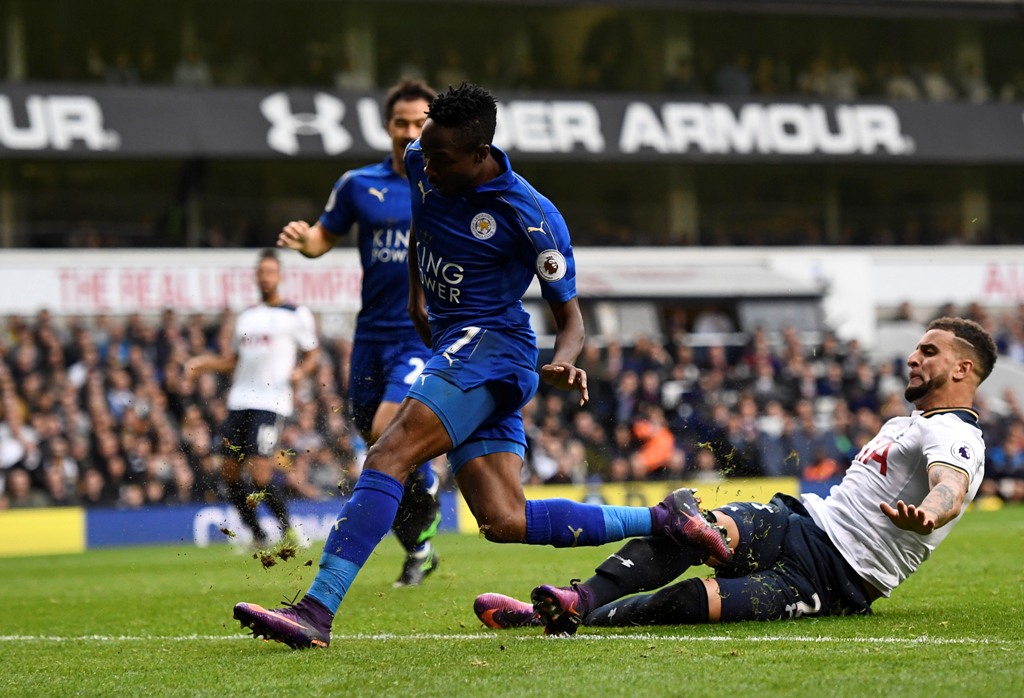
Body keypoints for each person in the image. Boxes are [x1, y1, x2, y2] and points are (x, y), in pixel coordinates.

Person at [232, 82, 730, 649]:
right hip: (455, 344)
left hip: (492, 347)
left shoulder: (532, 216)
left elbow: (571, 320)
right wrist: (416, 297)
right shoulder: (424, 158)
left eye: (441, 159)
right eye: (424, 152)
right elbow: (422, 216)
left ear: (479, 154)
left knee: (389, 453)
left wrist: (565, 361)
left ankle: (316, 611)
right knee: (503, 519)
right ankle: (667, 519)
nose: (426, 166)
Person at [473, 317, 997, 635]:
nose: (913, 358)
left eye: (929, 352)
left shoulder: (956, 434)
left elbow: (949, 487)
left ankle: (569, 617)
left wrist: (928, 514)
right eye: (917, 348)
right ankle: (577, 600)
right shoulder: (904, 423)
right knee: (688, 530)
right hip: (801, 524)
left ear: (963, 370)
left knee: (687, 603)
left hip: (836, 578)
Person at [276, 78, 445, 587]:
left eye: (419, 123)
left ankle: (426, 490)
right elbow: (322, 238)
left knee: (388, 436)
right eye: (401, 122)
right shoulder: (358, 184)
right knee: (377, 441)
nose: (410, 131)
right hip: (370, 335)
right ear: (388, 125)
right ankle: (420, 544)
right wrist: (304, 240)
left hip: (419, 332)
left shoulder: (447, 182)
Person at [185, 249, 320, 549]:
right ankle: (257, 534)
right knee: (228, 472)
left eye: (271, 272)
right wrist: (203, 364)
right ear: (256, 277)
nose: (266, 277)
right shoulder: (247, 317)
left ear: (279, 276)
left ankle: (289, 530)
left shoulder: (296, 314)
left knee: (260, 473)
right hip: (239, 400)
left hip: (271, 402)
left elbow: (313, 354)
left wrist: (301, 371)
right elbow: (233, 360)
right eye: (262, 273)